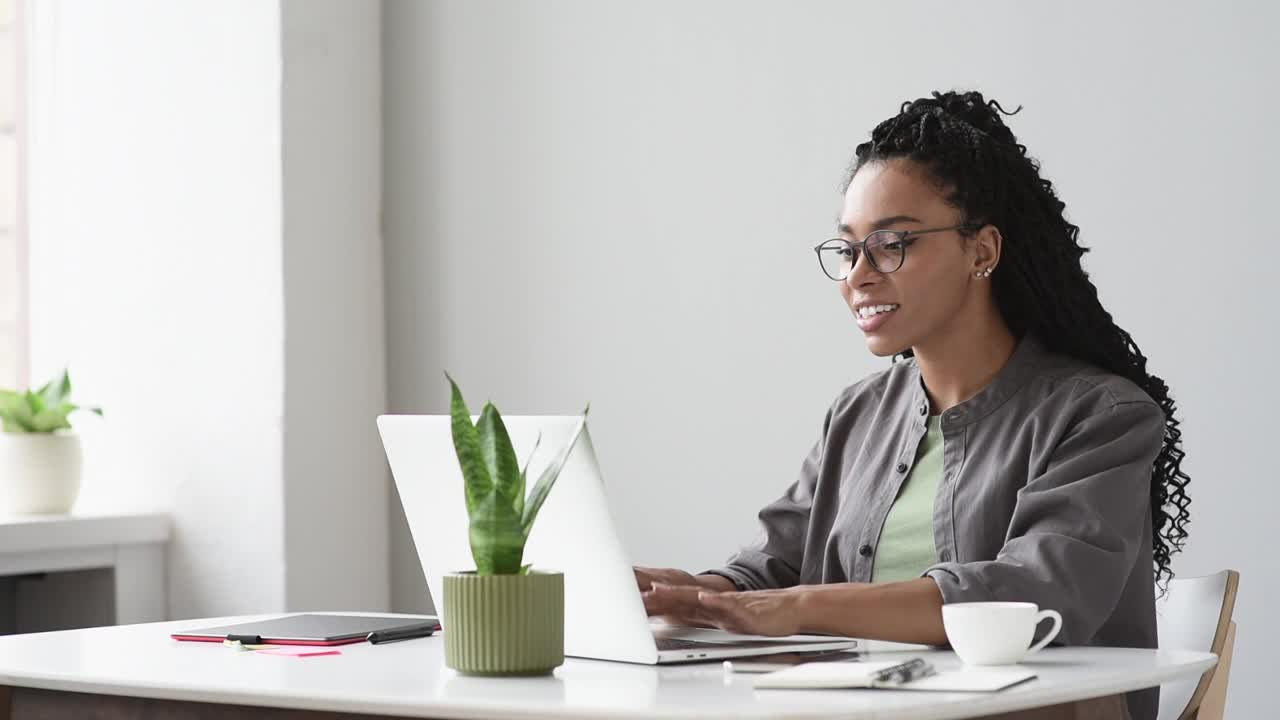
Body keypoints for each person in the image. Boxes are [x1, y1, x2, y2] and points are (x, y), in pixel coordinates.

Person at [633, 90, 1190, 720]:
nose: (859, 275)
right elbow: (775, 565)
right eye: (848, 250)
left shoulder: (1101, 414)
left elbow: (1033, 594)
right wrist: (688, 594)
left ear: (981, 251)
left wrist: (800, 608)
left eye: (892, 243)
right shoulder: (858, 415)